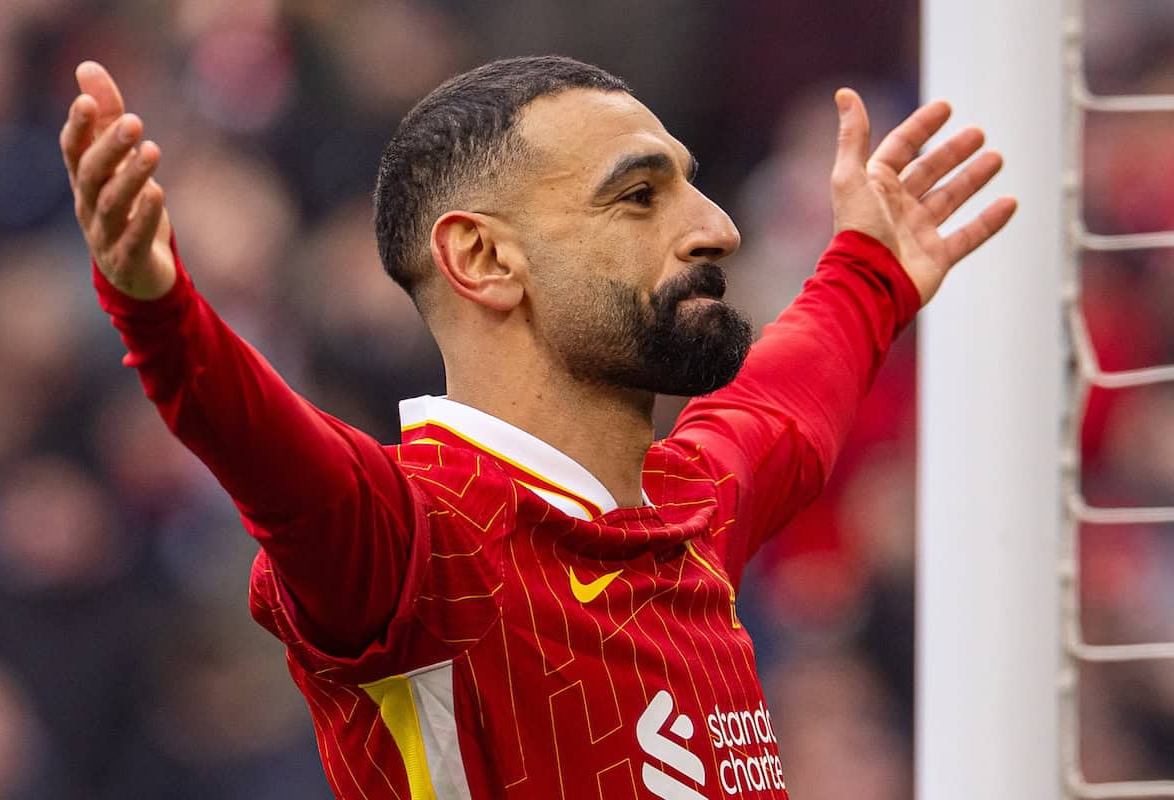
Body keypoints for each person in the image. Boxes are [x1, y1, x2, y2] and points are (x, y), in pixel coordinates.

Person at [60, 55, 1014, 800]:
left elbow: (785, 404)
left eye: (692, 185)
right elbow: (259, 444)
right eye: (640, 196)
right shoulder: (416, 544)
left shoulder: (689, 509)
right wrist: (157, 309)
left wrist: (869, 267)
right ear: (480, 257)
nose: (718, 225)